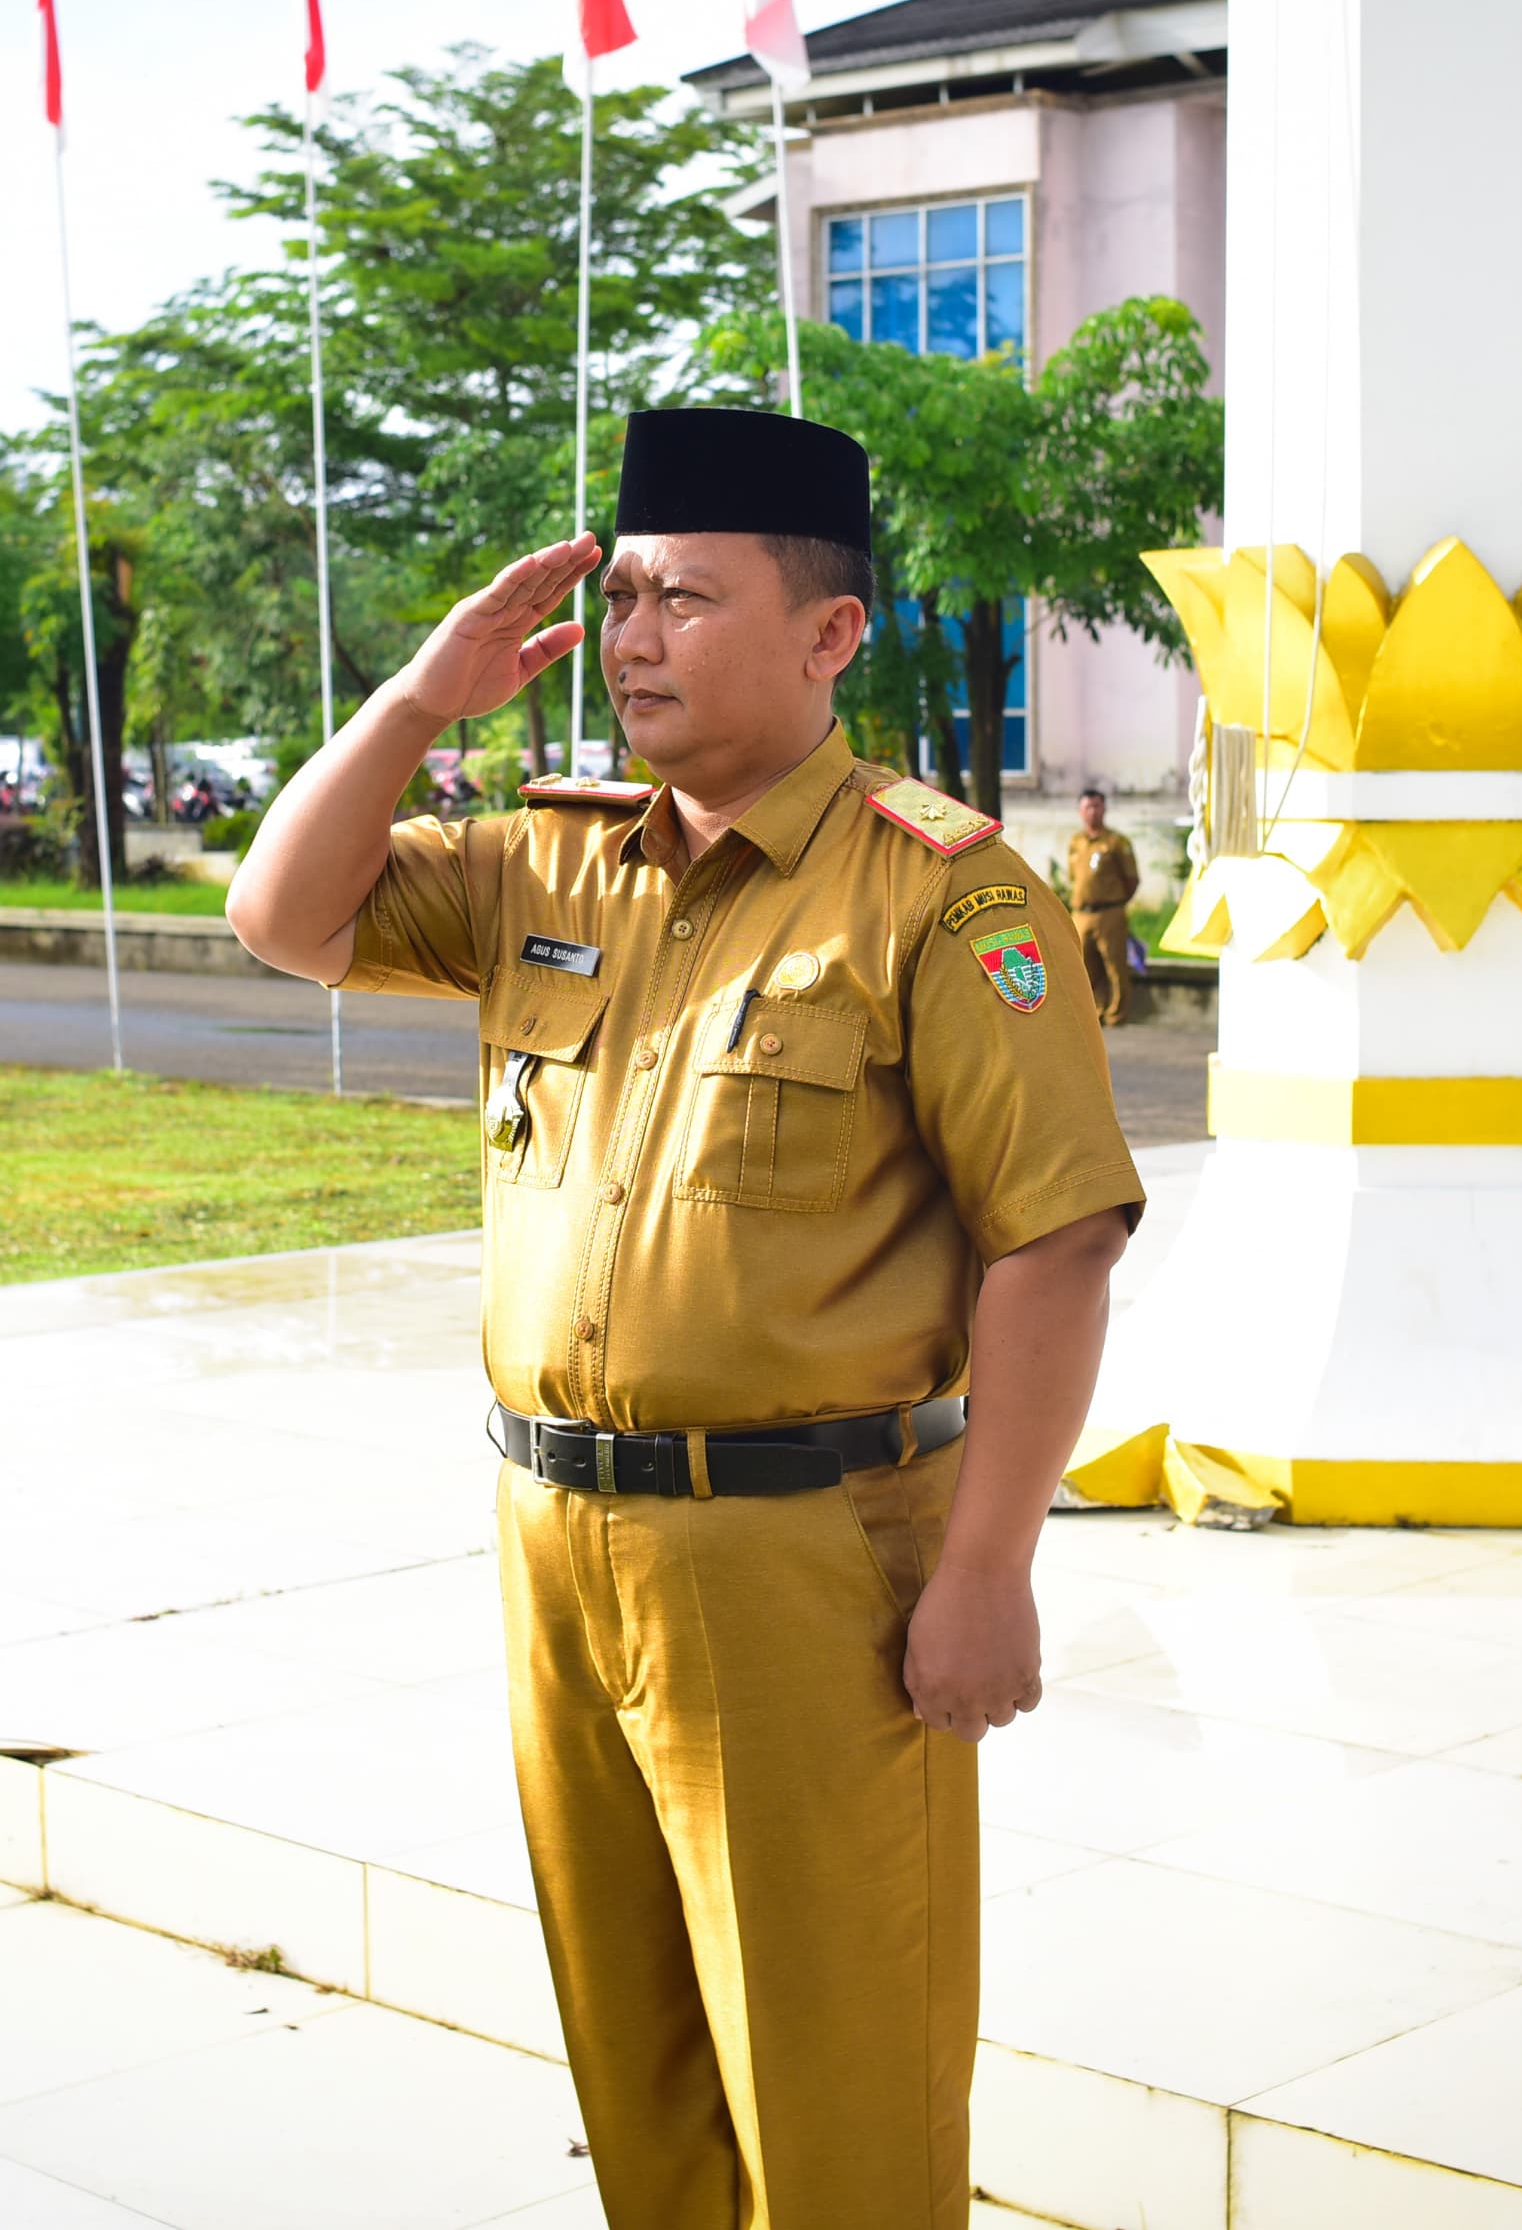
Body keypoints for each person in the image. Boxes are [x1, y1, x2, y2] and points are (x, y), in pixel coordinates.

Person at [226, 406, 1141, 2230]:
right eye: (623, 594)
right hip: (560, 1536)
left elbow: (1055, 1240)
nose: (634, 635)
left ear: (828, 636)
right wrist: (421, 695)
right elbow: (285, 915)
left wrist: (990, 1565)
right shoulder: (547, 861)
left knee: (839, 2082)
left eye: (687, 599)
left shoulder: (942, 889)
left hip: (803, 1558)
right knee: (637, 2064)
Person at [1061, 789, 1142, 1030]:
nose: (1092, 812)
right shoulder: (1076, 842)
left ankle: (1117, 1014)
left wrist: (1116, 901)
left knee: (1115, 966)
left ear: (1104, 809)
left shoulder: (1116, 842)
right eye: (1088, 807)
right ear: (1080, 811)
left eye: (1097, 806)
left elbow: (1131, 880)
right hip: (1081, 913)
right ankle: (1094, 1012)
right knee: (1085, 966)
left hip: (1110, 912)